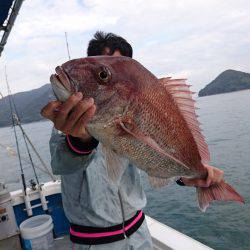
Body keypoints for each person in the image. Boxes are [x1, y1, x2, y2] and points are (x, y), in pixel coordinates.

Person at [41, 31, 224, 250]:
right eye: (102, 73)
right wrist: (81, 141)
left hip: (140, 236)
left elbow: (149, 156)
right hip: (92, 242)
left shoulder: (136, 111)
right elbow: (61, 164)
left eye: (103, 75)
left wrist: (190, 175)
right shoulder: (67, 119)